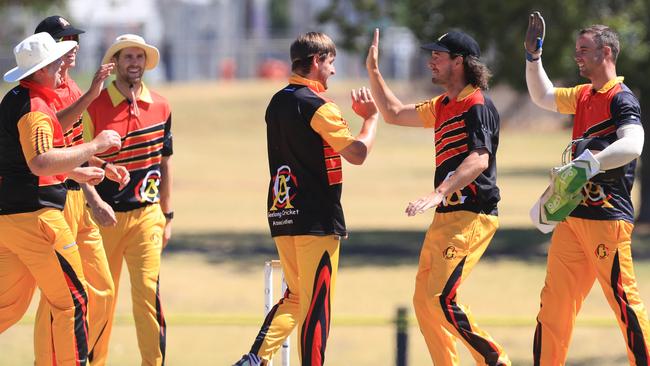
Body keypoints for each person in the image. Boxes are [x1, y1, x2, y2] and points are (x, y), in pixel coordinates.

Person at [233, 31, 379, 366]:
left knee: (296, 296)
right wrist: (370, 119)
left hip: (283, 213)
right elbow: (356, 154)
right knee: (317, 304)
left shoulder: (277, 101)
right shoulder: (318, 105)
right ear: (316, 61)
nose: (333, 70)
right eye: (331, 62)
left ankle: (255, 359)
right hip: (317, 219)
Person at [366, 28, 510, 365]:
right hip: (447, 218)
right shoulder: (443, 104)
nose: (430, 61)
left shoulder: (476, 104)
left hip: (472, 215)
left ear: (458, 61)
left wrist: (439, 191)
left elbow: (479, 159)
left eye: (438, 55)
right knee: (425, 302)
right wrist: (373, 71)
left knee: (442, 299)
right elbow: (393, 113)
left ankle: (496, 360)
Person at [524, 12, 650, 364]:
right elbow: (543, 96)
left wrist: (588, 164)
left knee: (624, 303)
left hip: (607, 218)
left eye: (584, 49)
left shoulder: (621, 98)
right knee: (554, 308)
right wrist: (533, 58)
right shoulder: (582, 95)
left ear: (606, 53)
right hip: (573, 216)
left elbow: (633, 144)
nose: (577, 55)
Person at [0, 32, 121, 366]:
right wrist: (95, 146)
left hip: (10, 219)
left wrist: (77, 173)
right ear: (40, 70)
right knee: (73, 299)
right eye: (55, 63)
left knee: (8, 307)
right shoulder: (35, 109)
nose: (61, 68)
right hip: (36, 217)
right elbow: (39, 161)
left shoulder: (17, 98)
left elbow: (34, 156)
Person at [30, 15, 130, 366]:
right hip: (53, 202)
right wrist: (91, 95)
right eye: (64, 39)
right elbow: (54, 136)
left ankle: (87, 358)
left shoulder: (71, 85)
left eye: (74, 38)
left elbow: (77, 145)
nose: (72, 45)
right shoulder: (40, 91)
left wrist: (103, 169)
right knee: (57, 297)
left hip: (77, 199)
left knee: (103, 289)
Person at [81, 34, 173, 366]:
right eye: (127, 57)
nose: (134, 62)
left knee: (148, 295)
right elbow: (79, 160)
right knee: (101, 298)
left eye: (139, 56)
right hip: (104, 219)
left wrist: (168, 215)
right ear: (115, 63)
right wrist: (94, 202)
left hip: (147, 216)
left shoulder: (162, 105)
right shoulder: (93, 105)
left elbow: (165, 162)